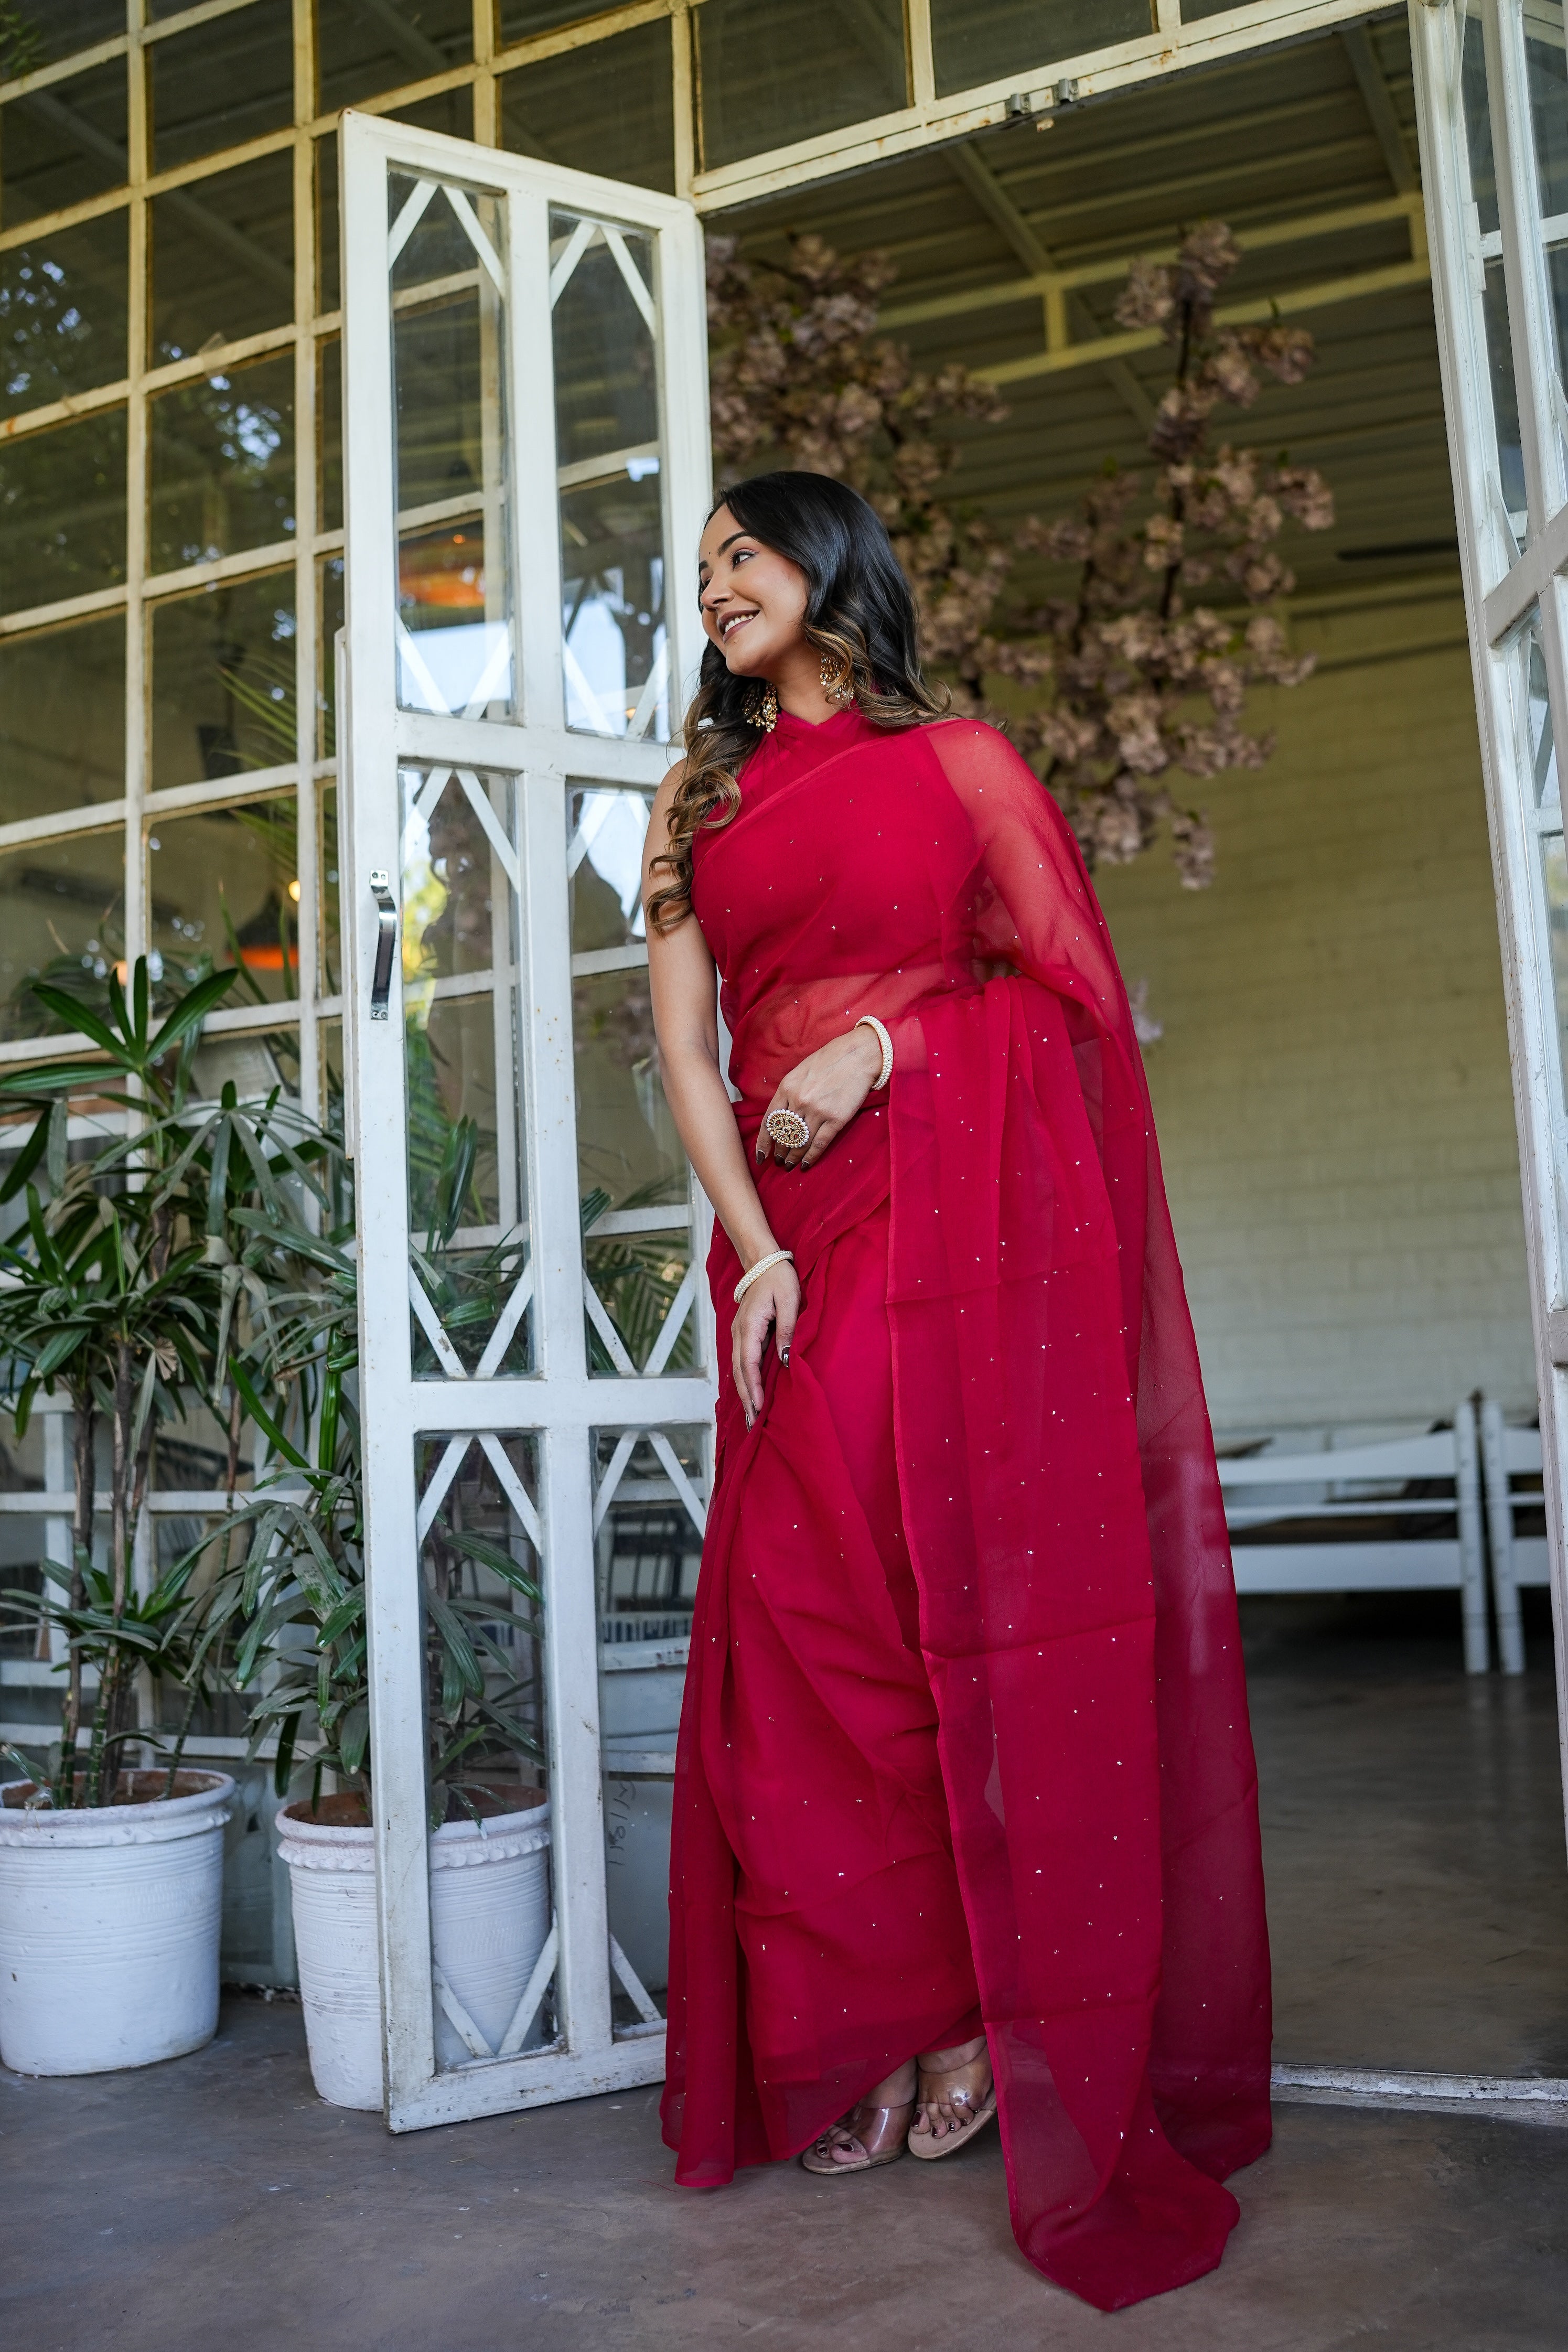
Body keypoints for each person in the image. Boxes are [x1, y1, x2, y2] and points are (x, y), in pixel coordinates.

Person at [642, 471, 1271, 2313]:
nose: (713, 592)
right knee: (803, 1627)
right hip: (792, 1255)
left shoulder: (967, 766)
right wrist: (753, 1248)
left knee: (958, 1621)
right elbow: (681, 1041)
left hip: (959, 1239)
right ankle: (892, 2009)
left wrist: (887, 1045)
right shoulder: (700, 795)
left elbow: (1071, 1007)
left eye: (740, 558)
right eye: (697, 577)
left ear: (828, 565)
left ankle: (965, 2030)